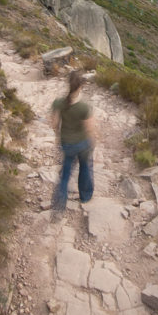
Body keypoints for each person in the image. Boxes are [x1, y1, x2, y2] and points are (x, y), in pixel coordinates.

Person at [50, 70, 97, 210]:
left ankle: (59, 203)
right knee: (85, 168)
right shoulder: (84, 107)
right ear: (80, 87)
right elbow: (90, 128)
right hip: (83, 144)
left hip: (67, 143)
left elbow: (54, 123)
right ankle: (85, 197)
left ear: (68, 85)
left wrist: (59, 136)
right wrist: (93, 141)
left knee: (65, 174)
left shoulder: (59, 103)